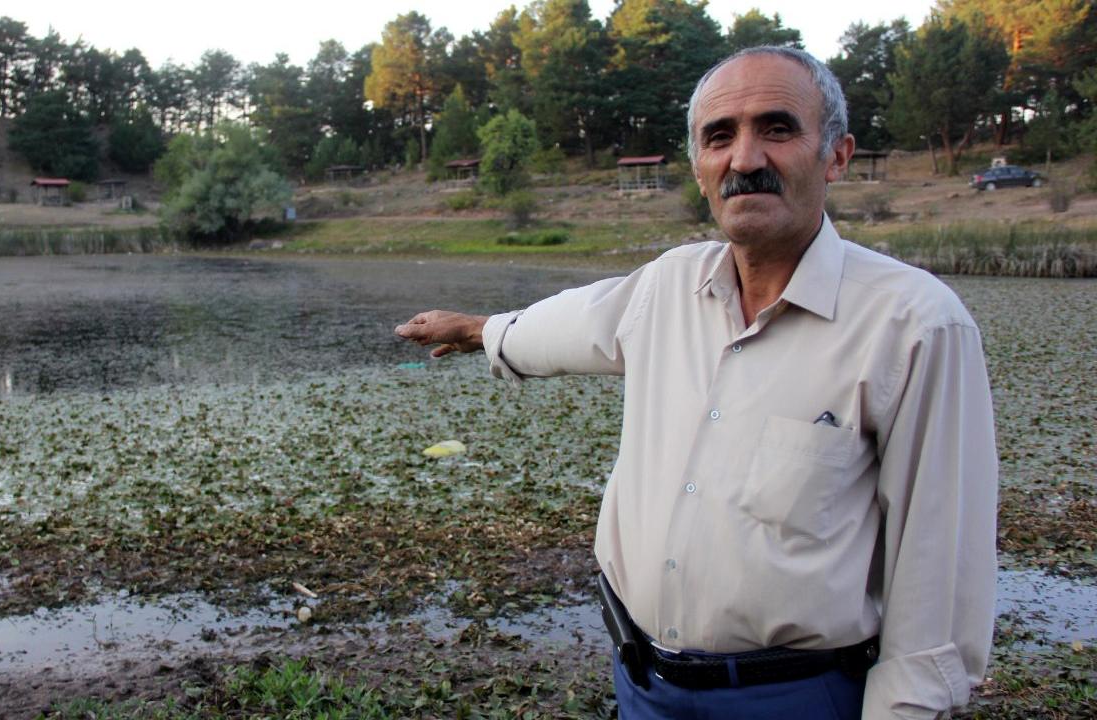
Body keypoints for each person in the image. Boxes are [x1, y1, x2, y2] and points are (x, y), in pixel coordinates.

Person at [395, 46, 997, 720]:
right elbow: (570, 326)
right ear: (699, 168)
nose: (744, 159)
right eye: (719, 136)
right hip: (644, 686)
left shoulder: (915, 324)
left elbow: (940, 573)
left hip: (799, 699)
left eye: (776, 128)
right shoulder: (668, 286)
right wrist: (483, 330)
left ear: (836, 155)